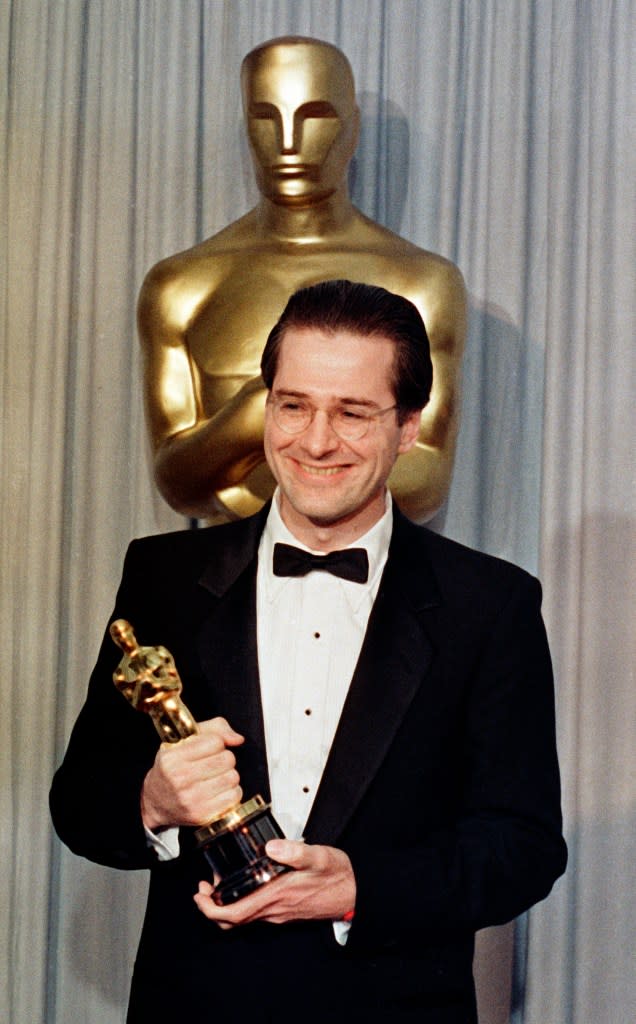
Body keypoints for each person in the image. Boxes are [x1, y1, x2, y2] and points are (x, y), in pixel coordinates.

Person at [50, 281, 566, 1023]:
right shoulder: (162, 578)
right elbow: (78, 804)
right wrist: (152, 801)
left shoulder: (489, 604)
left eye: (353, 412)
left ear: (410, 426)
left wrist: (363, 889)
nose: (316, 441)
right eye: (293, 405)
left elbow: (522, 847)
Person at [137, 36, 467, 524]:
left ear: (351, 129)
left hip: (380, 577)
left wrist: (250, 454)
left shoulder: (423, 282)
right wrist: (250, 415)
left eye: (316, 116)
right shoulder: (181, 285)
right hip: (223, 581)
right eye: (266, 118)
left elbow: (426, 479)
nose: (288, 143)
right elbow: (176, 481)